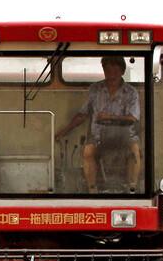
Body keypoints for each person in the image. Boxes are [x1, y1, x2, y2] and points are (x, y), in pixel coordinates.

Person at [55, 55, 141, 191]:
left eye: (114, 69)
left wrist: (110, 117)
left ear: (122, 71)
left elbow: (133, 118)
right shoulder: (95, 89)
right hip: (98, 135)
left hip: (123, 135)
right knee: (87, 152)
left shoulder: (131, 92)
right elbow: (83, 114)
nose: (110, 73)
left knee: (135, 151)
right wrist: (65, 130)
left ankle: (132, 187)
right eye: (107, 69)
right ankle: (92, 189)